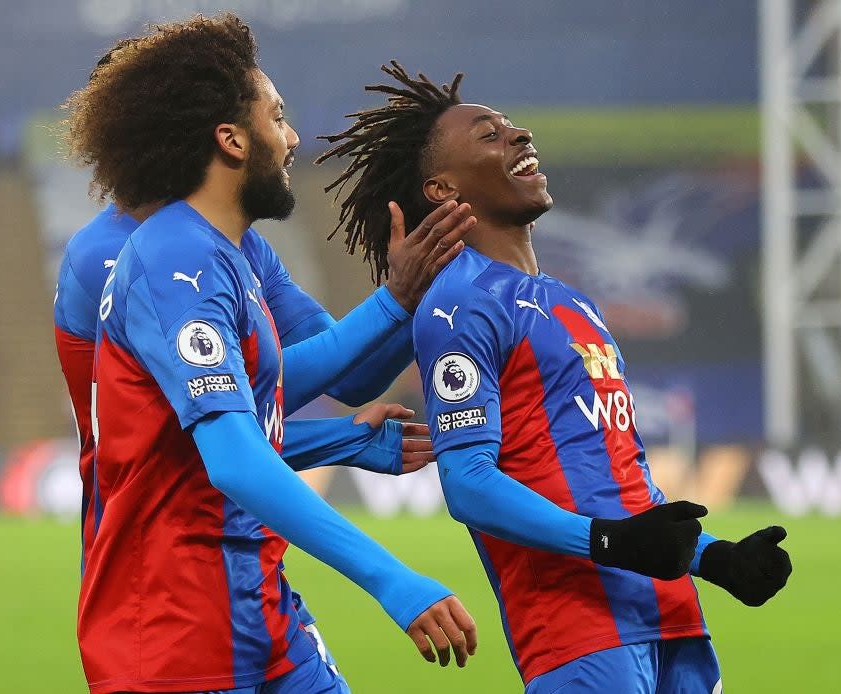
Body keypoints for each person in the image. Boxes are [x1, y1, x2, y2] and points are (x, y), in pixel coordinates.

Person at [317, 62, 793, 693]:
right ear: (442, 189)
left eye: (513, 126)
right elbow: (469, 485)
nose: (519, 135)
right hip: (580, 635)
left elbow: (614, 483)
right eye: (489, 135)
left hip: (669, 617)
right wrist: (607, 544)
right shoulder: (461, 305)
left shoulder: (570, 302)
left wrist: (714, 559)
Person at [61, 17, 477, 693]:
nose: (291, 137)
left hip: (251, 579)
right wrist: (392, 577)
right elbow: (222, 452)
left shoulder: (234, 248)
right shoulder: (150, 260)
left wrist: (429, 274)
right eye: (277, 117)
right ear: (223, 137)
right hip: (170, 610)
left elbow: (323, 374)